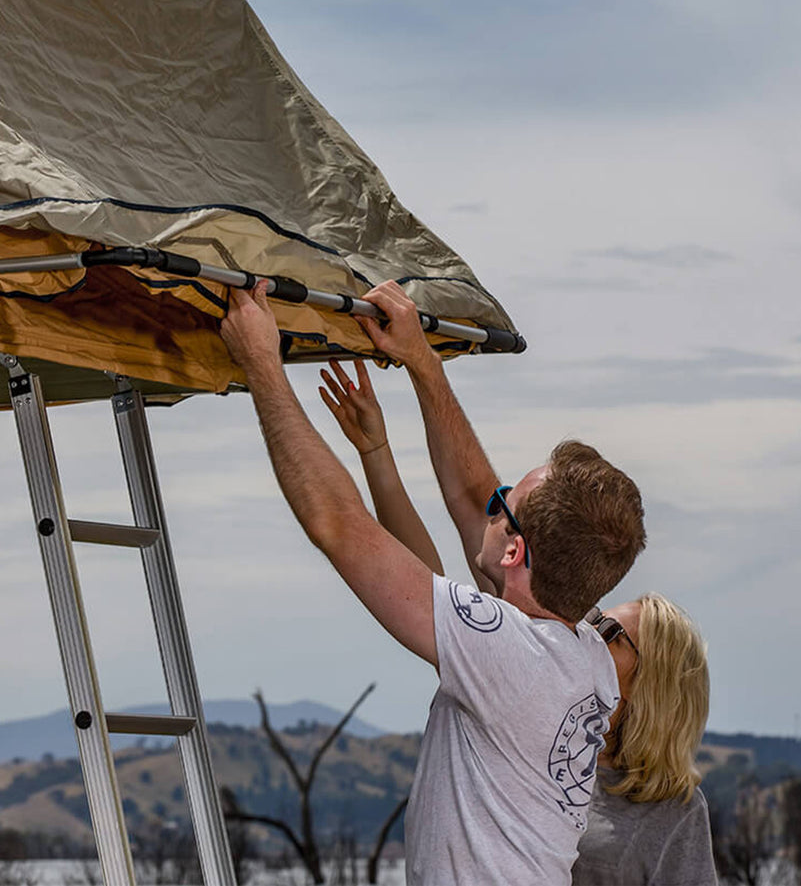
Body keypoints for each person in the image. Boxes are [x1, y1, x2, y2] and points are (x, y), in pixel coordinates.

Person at [221, 280, 648, 885]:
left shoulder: (515, 657)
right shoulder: (579, 657)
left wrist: (262, 364)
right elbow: (451, 540)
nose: (490, 501)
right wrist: (417, 368)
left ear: (515, 550)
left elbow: (338, 525)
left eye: (504, 503)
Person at [572, 597, 716, 886]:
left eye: (609, 631)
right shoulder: (535, 740)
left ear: (648, 685)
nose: (588, 632)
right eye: (592, 618)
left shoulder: (675, 809)